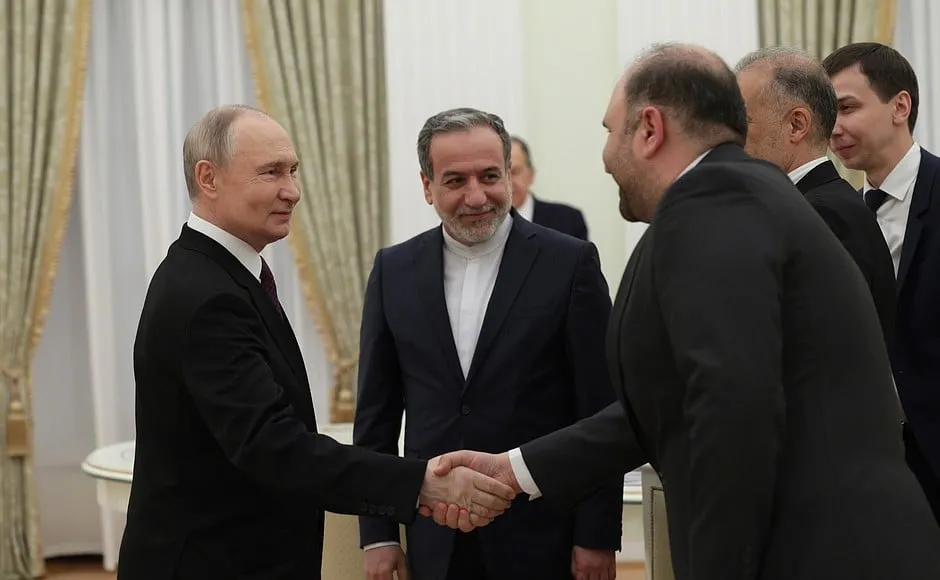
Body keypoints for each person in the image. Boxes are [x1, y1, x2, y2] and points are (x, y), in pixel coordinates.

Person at [429, 43, 940, 580]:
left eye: (609, 131)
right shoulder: (738, 197)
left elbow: (733, 415)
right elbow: (675, 399)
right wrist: (514, 470)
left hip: (817, 554)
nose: (604, 157)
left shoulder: (714, 209)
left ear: (649, 129)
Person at [117, 105, 515, 580]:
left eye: (293, 171)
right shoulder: (206, 295)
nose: (293, 191)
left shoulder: (219, 276)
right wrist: (421, 485)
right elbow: (275, 447)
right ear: (208, 178)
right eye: (271, 173)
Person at [353, 108, 622, 580]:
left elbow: (599, 409)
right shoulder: (392, 270)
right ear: (426, 185)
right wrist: (377, 534)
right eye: (455, 180)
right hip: (433, 537)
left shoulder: (570, 263)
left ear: (510, 177)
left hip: (543, 537)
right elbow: (376, 416)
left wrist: (595, 535)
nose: (476, 196)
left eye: (490, 176)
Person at [823, 42, 940, 524]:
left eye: (847, 107)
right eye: (827, 113)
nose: (834, 127)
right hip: (863, 466)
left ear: (900, 106)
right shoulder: (831, 216)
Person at [735, 46, 896, 345]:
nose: (732, 139)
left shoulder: (824, 216)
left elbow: (821, 348)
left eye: (743, 122)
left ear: (796, 125)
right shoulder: (813, 206)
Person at [509, 135, 590, 239]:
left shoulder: (568, 220)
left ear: (531, 175)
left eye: (515, 172)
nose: (509, 182)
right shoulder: (486, 224)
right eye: (501, 174)